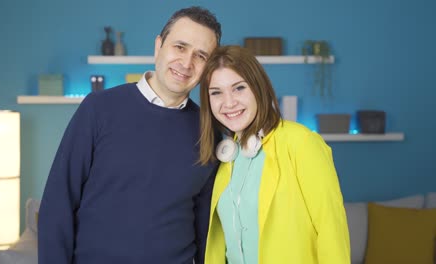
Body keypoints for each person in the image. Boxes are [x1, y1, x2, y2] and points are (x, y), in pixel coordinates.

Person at [38, 6, 222, 264]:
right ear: (159, 46)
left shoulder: (210, 131)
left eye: (200, 55)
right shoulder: (98, 108)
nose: (187, 63)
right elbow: (58, 204)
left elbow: (206, 231)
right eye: (180, 47)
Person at [198, 45, 350, 264]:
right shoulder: (226, 158)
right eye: (216, 92)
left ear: (258, 88)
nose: (229, 102)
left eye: (239, 88)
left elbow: (331, 230)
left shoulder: (301, 143)